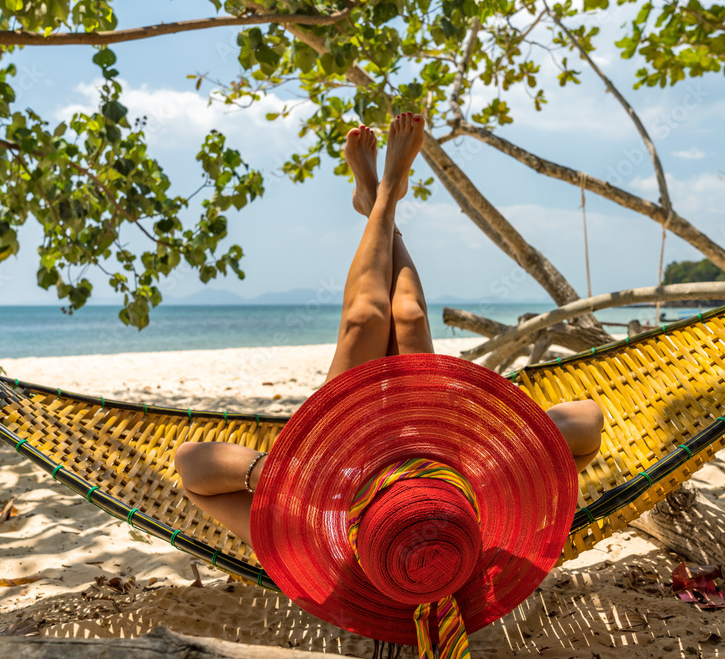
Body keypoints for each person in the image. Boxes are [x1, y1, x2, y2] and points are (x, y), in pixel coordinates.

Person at [174, 112, 603, 548]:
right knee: (410, 317)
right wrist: (490, 460)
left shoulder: (312, 546)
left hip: (340, 464)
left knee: (366, 319)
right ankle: (384, 199)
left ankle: (381, 200)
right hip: (435, 458)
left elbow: (189, 463)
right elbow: (587, 421)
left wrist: (290, 477)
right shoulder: (469, 542)